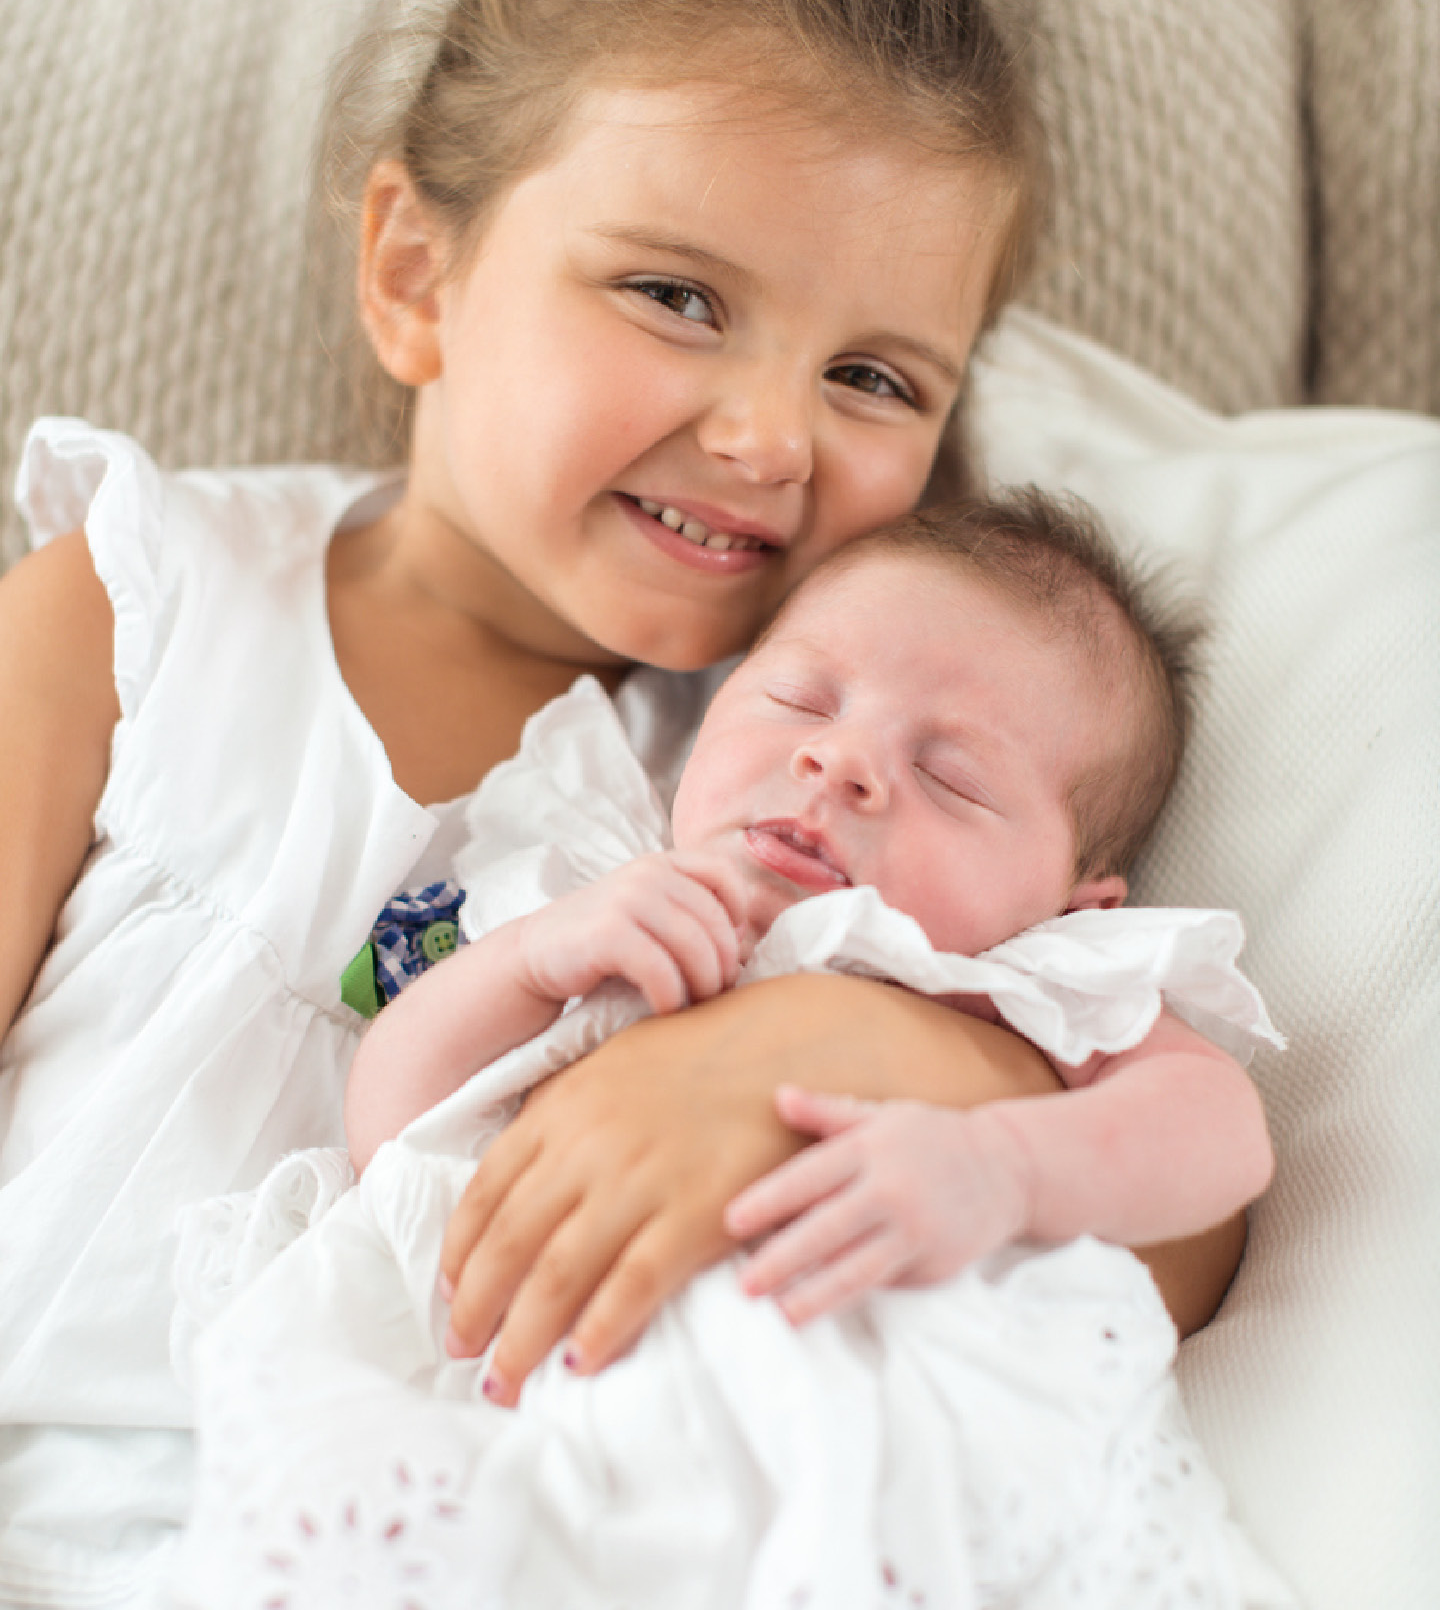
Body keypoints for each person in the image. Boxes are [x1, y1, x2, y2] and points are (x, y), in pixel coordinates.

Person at [0, 0, 1234, 1603]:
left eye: (870, 378)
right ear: (417, 273)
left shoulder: (812, 774)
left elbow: (1180, 1243)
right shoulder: (138, 612)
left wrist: (816, 1065)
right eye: (677, 297)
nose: (770, 439)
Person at [163, 495, 1288, 1608]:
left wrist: (1007, 1168)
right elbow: (394, 1137)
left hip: (859, 1451)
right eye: (798, 701)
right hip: (530, 1413)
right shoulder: (603, 896)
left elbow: (1220, 1130)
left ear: (1072, 900)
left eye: (953, 778)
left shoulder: (1029, 981)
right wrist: (530, 963)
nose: (838, 764)